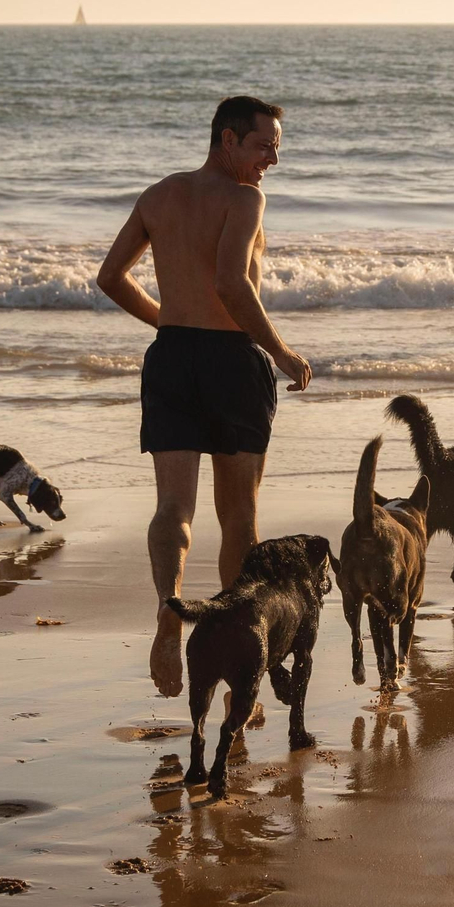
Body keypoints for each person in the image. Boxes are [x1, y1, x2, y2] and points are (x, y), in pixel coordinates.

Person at [97, 95, 312, 697]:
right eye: (264, 145)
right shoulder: (245, 198)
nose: (273, 157)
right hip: (229, 364)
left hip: (171, 359)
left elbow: (110, 278)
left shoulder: (159, 194)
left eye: (277, 146)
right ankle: (234, 641)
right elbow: (230, 282)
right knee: (238, 517)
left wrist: (169, 320)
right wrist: (281, 352)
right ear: (228, 140)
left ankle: (170, 607)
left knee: (174, 509)